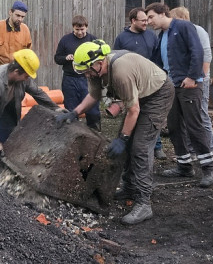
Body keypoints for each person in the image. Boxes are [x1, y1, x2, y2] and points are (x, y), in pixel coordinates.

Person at [60, 40, 174, 225]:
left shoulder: (120, 72)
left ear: (99, 62)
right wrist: (75, 112)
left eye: (87, 71)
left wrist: (123, 138)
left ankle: (144, 202)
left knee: (140, 147)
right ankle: (129, 187)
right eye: (84, 72)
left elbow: (133, 110)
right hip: (140, 96)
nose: (87, 75)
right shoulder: (96, 70)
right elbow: (94, 95)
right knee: (128, 146)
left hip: (158, 95)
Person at [146, 2, 213, 187]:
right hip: (172, 86)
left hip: (189, 85)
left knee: (195, 126)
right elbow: (158, 61)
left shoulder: (183, 26)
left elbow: (197, 51)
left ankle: (209, 168)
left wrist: (193, 76)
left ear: (162, 13)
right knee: (174, 127)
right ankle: (184, 166)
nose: (149, 21)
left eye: (151, 17)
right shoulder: (163, 34)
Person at [113, 6, 165, 159]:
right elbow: (116, 58)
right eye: (142, 20)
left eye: (147, 20)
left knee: (151, 115)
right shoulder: (122, 38)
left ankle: (157, 146)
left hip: (150, 81)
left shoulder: (151, 36)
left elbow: (157, 57)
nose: (146, 23)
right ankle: (128, 142)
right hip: (131, 82)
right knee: (133, 111)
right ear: (133, 20)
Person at [170, 6, 213, 153]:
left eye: (174, 19)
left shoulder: (198, 31)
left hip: (198, 81)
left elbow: (206, 56)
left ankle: (208, 148)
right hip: (184, 81)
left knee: (201, 114)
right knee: (186, 117)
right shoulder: (177, 33)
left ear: (182, 18)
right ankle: (191, 149)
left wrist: (200, 79)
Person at [54, 16, 101, 131]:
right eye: (77, 30)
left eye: (82, 29)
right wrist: (65, 58)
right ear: (73, 28)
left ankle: (95, 131)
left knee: (92, 108)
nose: (80, 32)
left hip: (88, 79)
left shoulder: (93, 40)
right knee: (71, 108)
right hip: (69, 79)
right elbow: (57, 58)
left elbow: (101, 59)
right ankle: (72, 132)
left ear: (86, 27)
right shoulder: (65, 40)